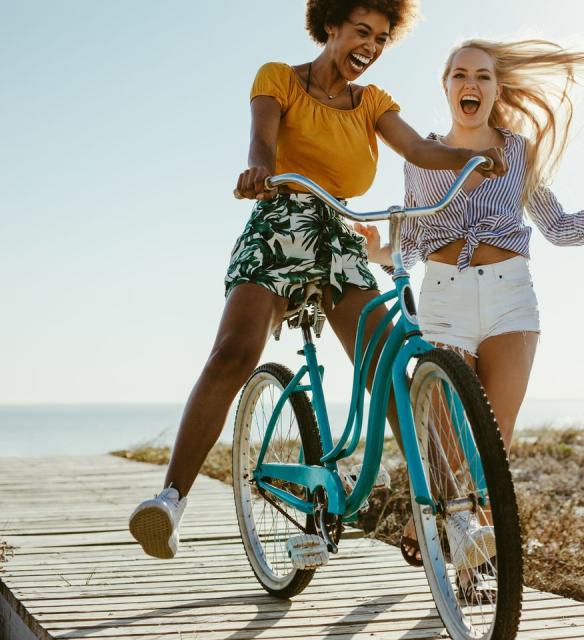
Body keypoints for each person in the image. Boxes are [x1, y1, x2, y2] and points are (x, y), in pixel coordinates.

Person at [127, 0, 506, 560]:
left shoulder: (372, 102)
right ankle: (170, 501)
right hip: (280, 221)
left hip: (338, 233)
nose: (370, 47)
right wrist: (259, 169)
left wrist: (464, 158)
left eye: (380, 38)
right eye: (361, 31)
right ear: (330, 25)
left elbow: (420, 149)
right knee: (234, 352)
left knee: (388, 367)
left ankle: (455, 518)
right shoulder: (279, 78)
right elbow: (261, 140)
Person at [356, 39, 584, 569]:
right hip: (444, 297)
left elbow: (559, 227)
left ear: (497, 88)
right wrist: (378, 252)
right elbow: (409, 243)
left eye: (481, 75)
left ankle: (460, 548)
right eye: (459, 75)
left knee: (491, 450)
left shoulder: (519, 151)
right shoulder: (422, 157)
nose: (469, 83)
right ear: (446, 86)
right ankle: (449, 532)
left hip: (510, 297)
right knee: (447, 437)